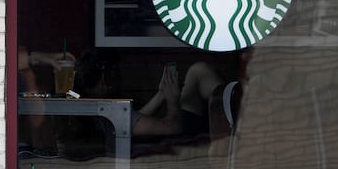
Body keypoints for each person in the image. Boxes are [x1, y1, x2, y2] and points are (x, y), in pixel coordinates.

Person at [75, 49, 226, 139]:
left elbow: (134, 120)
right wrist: (172, 100)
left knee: (197, 72)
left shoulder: (91, 108)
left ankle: (234, 109)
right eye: (114, 73)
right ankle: (238, 118)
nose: (118, 78)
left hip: (157, 134)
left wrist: (161, 94)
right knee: (199, 70)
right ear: (103, 78)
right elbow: (173, 127)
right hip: (175, 136)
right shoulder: (111, 113)